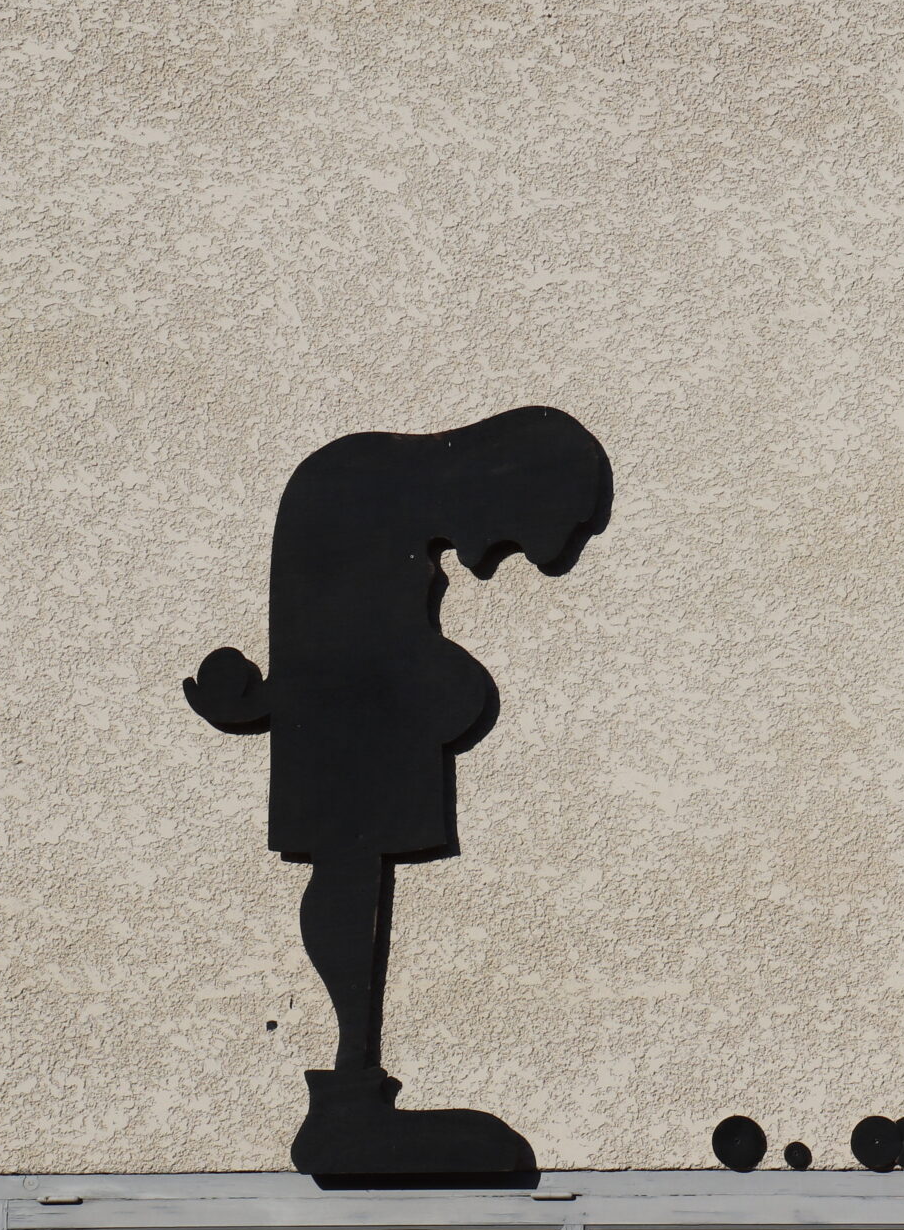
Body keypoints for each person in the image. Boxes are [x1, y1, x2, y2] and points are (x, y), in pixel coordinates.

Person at [186, 406, 611, 1175]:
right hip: (349, 728)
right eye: (541, 528)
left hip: (350, 716)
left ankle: (353, 1088)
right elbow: (391, 664)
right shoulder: (353, 493)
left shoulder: (358, 490)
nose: (528, 557)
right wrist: (454, 687)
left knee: (351, 855)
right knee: (350, 851)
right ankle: (349, 1096)